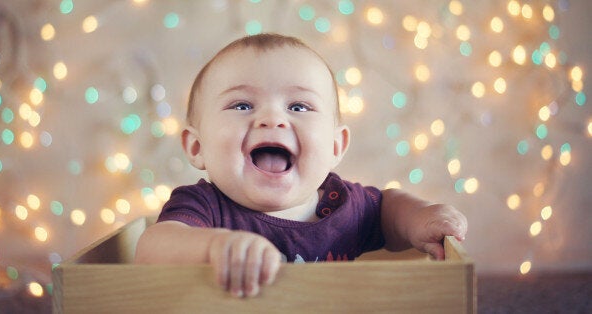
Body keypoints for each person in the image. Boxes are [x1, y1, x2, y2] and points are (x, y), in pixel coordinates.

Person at [135, 33, 468, 298]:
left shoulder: (343, 204)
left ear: (336, 146)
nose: (272, 118)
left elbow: (388, 208)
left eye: (298, 106)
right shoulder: (204, 207)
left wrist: (421, 217)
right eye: (241, 105)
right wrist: (214, 247)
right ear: (197, 147)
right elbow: (152, 249)